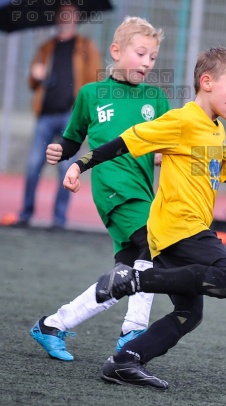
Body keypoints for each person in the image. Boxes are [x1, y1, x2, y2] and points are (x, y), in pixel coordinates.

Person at [61, 47, 226, 389]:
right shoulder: (182, 120)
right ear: (207, 82)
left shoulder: (214, 129)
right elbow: (127, 141)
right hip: (178, 226)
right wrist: (80, 164)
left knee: (190, 313)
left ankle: (125, 362)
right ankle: (133, 281)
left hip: (176, 233)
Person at [30, 16, 170, 362]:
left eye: (153, 57)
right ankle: (133, 330)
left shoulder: (157, 98)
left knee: (125, 276)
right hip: (113, 190)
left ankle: (52, 324)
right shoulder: (91, 94)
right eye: (141, 53)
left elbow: (163, 149)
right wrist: (60, 151)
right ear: (117, 51)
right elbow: (72, 138)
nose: (147, 63)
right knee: (152, 245)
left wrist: (165, 161)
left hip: (143, 192)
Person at [14, 4, 102, 229]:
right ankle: (25, 214)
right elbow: (33, 82)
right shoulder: (46, 48)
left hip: (70, 116)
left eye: (70, 14)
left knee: (66, 167)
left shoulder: (85, 46)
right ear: (57, 18)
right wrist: (36, 75)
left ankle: (59, 219)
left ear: (76, 17)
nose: (66, 18)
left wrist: (86, 110)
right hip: (45, 115)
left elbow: (95, 81)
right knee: (34, 164)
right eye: (62, 14)